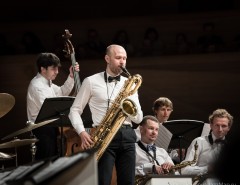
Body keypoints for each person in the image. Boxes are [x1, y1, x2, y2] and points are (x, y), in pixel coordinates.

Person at [69, 44, 143, 185]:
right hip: (103, 137)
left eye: (125, 58)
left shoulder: (130, 83)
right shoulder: (91, 81)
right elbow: (74, 110)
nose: (122, 62)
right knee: (103, 181)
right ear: (107, 58)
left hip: (127, 135)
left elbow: (138, 118)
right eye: (118, 58)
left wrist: (128, 105)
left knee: (128, 182)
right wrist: (82, 133)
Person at [27, 52, 79, 160]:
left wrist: (71, 76)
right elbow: (50, 110)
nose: (57, 72)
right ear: (43, 69)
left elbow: (61, 92)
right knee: (45, 161)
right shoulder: (37, 86)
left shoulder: (46, 81)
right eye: (53, 69)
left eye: (57, 68)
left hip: (48, 126)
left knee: (50, 159)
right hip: (41, 129)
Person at [180, 108, 233, 184]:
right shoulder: (198, 142)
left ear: (229, 128)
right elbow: (184, 170)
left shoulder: (231, 146)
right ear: (211, 125)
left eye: (224, 126)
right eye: (217, 125)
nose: (220, 129)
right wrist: (207, 168)